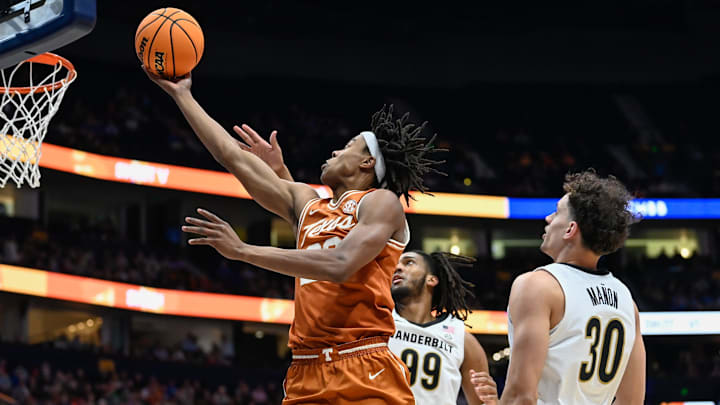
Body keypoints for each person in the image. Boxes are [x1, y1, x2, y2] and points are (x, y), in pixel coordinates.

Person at [144, 69, 444, 405]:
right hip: (306, 371)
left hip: (364, 365)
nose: (333, 152)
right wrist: (182, 95)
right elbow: (231, 155)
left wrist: (243, 251)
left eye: (347, 147)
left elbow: (340, 263)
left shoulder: (379, 202)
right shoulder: (307, 205)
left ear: (367, 161)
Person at [238, 130, 499, 405]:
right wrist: (279, 173)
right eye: (396, 262)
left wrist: (492, 402)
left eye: (409, 262)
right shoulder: (377, 324)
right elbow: (314, 229)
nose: (398, 268)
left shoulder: (460, 337)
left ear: (432, 280)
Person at [473, 170, 646, 404]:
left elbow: (521, 396)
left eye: (556, 213)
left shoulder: (538, 286)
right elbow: (632, 401)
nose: (548, 219)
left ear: (570, 229)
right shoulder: (627, 301)